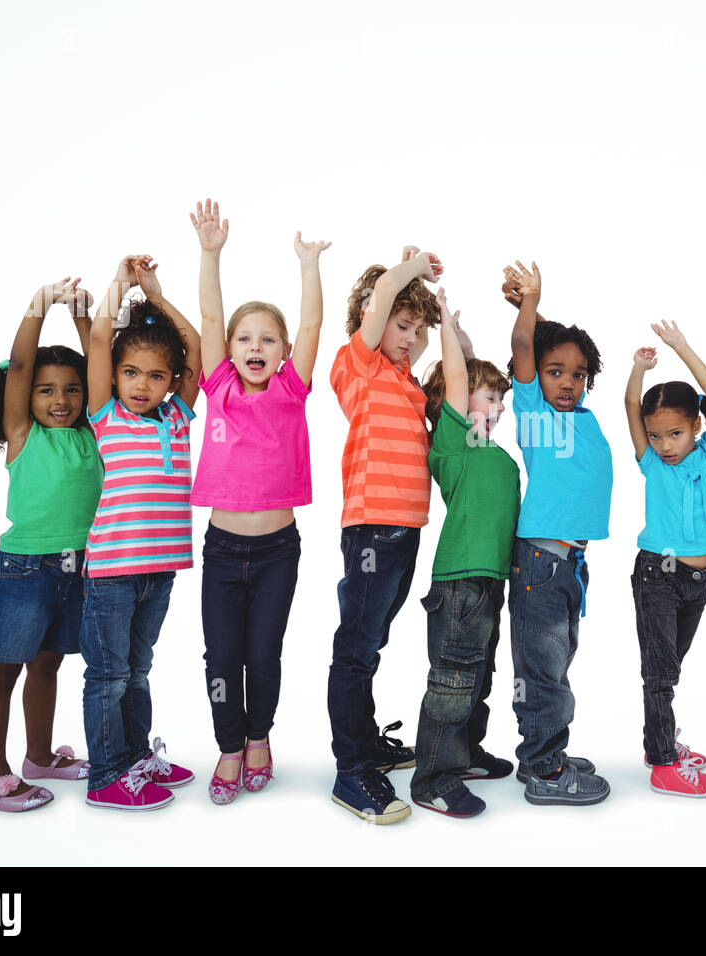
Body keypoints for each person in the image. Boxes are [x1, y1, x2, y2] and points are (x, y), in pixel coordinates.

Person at [0, 278, 102, 812]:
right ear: (27, 397)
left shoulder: (94, 431)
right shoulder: (22, 433)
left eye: (72, 389)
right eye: (47, 390)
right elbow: (22, 365)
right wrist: (39, 306)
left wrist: (81, 315)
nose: (61, 399)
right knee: (3, 668)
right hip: (23, 572)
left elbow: (100, 366)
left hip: (78, 570)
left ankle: (39, 756)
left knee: (48, 666)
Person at [188, 199, 324, 804]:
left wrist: (308, 266)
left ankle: (261, 737)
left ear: (283, 350)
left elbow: (314, 328)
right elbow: (210, 315)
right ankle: (229, 746)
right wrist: (211, 253)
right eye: (245, 338)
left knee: (262, 653)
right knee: (223, 658)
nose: (254, 345)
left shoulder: (292, 389)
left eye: (268, 338)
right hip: (221, 551)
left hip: (276, 551)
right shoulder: (218, 387)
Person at [81, 254, 202, 811]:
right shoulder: (107, 415)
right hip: (111, 572)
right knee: (109, 675)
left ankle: (134, 758)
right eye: (131, 373)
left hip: (159, 569)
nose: (142, 385)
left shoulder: (177, 416)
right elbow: (101, 338)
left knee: (138, 669)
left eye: (156, 376)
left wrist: (155, 292)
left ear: (172, 382)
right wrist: (119, 285)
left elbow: (195, 347)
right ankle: (107, 774)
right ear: (114, 377)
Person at [328, 246, 442, 823]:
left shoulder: (404, 380)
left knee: (371, 643)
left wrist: (421, 301)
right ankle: (351, 770)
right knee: (354, 647)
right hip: (372, 528)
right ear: (372, 322)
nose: (409, 337)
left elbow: (422, 336)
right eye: (401, 325)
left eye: (415, 329)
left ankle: (367, 741)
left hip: (405, 531)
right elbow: (380, 309)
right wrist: (410, 268)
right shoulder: (360, 364)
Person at [504, 260, 613, 806]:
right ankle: (544, 768)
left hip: (568, 564)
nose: (566, 381)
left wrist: (535, 315)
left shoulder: (583, 417)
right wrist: (529, 303)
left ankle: (545, 751)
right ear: (533, 377)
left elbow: (549, 345)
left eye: (576, 373)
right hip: (541, 562)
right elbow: (528, 344)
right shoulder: (532, 411)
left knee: (557, 661)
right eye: (554, 372)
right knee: (543, 670)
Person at [409, 288, 520, 817]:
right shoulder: (453, 442)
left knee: (479, 676)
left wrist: (464, 341)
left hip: (491, 580)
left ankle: (466, 751)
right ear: (450, 404)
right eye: (488, 398)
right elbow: (458, 377)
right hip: (460, 580)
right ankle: (433, 775)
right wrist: (448, 330)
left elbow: (468, 374)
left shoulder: (493, 451)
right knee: (452, 680)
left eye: (502, 400)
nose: (498, 407)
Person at [625, 320, 706, 798]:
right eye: (656, 436)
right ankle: (662, 761)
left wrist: (680, 347)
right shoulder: (651, 462)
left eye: (675, 433)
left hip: (700, 579)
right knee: (659, 673)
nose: (665, 444)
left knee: (670, 667)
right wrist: (638, 369)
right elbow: (632, 405)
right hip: (658, 573)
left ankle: (663, 740)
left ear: (697, 426)